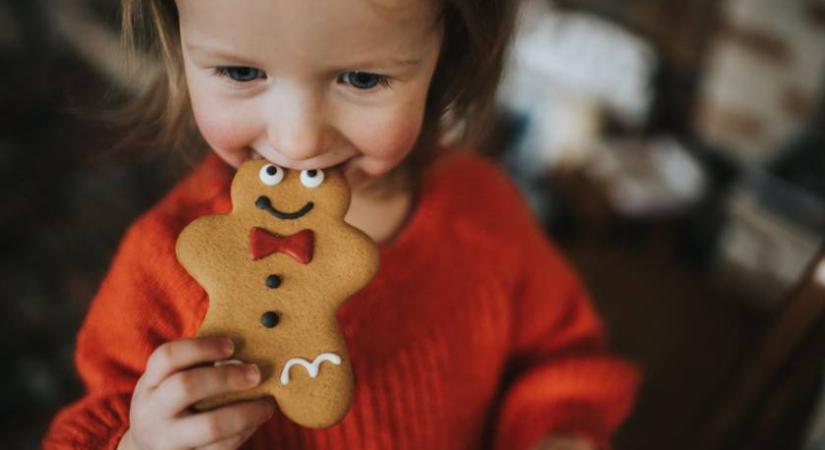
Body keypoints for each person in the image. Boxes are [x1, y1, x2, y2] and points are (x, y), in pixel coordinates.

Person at [43, 0, 640, 449]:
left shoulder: (484, 210)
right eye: (240, 72)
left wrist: (557, 432)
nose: (298, 139)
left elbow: (556, 357)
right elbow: (89, 428)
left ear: (446, 59)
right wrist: (140, 444)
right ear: (179, 46)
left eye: (361, 79)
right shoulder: (163, 265)